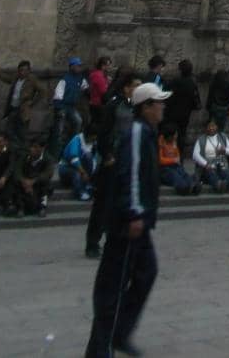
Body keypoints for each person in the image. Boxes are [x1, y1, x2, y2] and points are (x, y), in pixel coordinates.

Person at [84, 81, 170, 358]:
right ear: (146, 107)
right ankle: (101, 348)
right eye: (159, 103)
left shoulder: (146, 133)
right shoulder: (135, 133)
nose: (163, 107)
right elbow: (130, 175)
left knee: (147, 272)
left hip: (138, 223)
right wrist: (134, 212)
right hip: (127, 223)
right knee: (113, 286)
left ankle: (119, 333)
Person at [86, 69, 138, 260]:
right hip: (112, 160)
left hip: (128, 161)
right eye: (135, 86)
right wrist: (107, 155)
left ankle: (115, 240)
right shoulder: (114, 106)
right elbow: (103, 133)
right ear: (126, 88)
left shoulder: (136, 107)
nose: (138, 89)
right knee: (103, 203)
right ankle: (93, 241)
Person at [2, 58, 44, 163]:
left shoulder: (32, 80)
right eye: (20, 70)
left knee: (22, 134)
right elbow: (7, 79)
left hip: (23, 111)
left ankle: (23, 156)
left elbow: (42, 91)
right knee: (9, 130)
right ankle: (12, 152)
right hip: (13, 108)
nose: (22, 72)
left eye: (24, 70)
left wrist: (32, 103)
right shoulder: (16, 78)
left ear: (28, 70)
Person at [50, 57, 89, 157]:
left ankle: (70, 145)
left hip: (72, 107)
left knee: (78, 122)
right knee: (59, 130)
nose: (79, 68)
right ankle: (56, 154)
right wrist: (59, 109)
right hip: (63, 106)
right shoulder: (65, 80)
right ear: (71, 67)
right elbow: (58, 96)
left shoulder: (80, 78)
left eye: (80, 66)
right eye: (77, 66)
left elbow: (86, 87)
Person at [193, 118, 229, 193]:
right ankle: (218, 185)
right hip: (207, 167)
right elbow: (195, 155)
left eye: (213, 126)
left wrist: (224, 150)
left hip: (220, 164)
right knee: (211, 173)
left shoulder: (222, 137)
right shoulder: (201, 140)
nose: (211, 128)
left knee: (224, 172)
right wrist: (205, 164)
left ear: (217, 127)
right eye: (209, 126)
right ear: (206, 128)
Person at [12, 136, 55, 216]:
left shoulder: (48, 159)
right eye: (31, 147)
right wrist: (24, 181)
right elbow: (17, 171)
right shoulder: (24, 157)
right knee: (15, 183)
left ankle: (42, 207)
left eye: (35, 147)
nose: (32, 149)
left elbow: (48, 173)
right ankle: (20, 208)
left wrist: (33, 181)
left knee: (47, 184)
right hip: (25, 183)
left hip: (38, 183)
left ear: (42, 148)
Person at [165, 58, 200, 156]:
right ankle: (179, 156)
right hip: (185, 113)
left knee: (170, 135)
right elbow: (195, 99)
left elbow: (167, 95)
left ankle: (170, 155)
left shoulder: (174, 81)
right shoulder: (192, 83)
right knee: (182, 135)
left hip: (172, 113)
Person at [158, 122, 200, 195]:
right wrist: (173, 160)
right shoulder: (161, 142)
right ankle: (183, 188)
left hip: (175, 166)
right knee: (175, 175)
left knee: (183, 173)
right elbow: (160, 160)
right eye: (174, 135)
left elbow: (177, 156)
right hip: (164, 169)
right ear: (169, 136)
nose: (176, 136)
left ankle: (193, 185)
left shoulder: (173, 142)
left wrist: (175, 159)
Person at [59, 126, 99, 201]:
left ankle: (87, 185)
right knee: (76, 173)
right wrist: (83, 172)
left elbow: (94, 159)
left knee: (88, 157)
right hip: (66, 167)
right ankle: (80, 192)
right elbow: (74, 159)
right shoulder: (76, 140)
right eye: (93, 138)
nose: (94, 140)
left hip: (83, 169)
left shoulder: (94, 143)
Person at [87, 56, 112, 133]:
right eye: (108, 65)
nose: (109, 67)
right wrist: (108, 85)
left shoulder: (100, 75)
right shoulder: (98, 75)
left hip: (96, 103)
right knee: (98, 125)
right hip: (97, 103)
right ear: (102, 66)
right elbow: (103, 91)